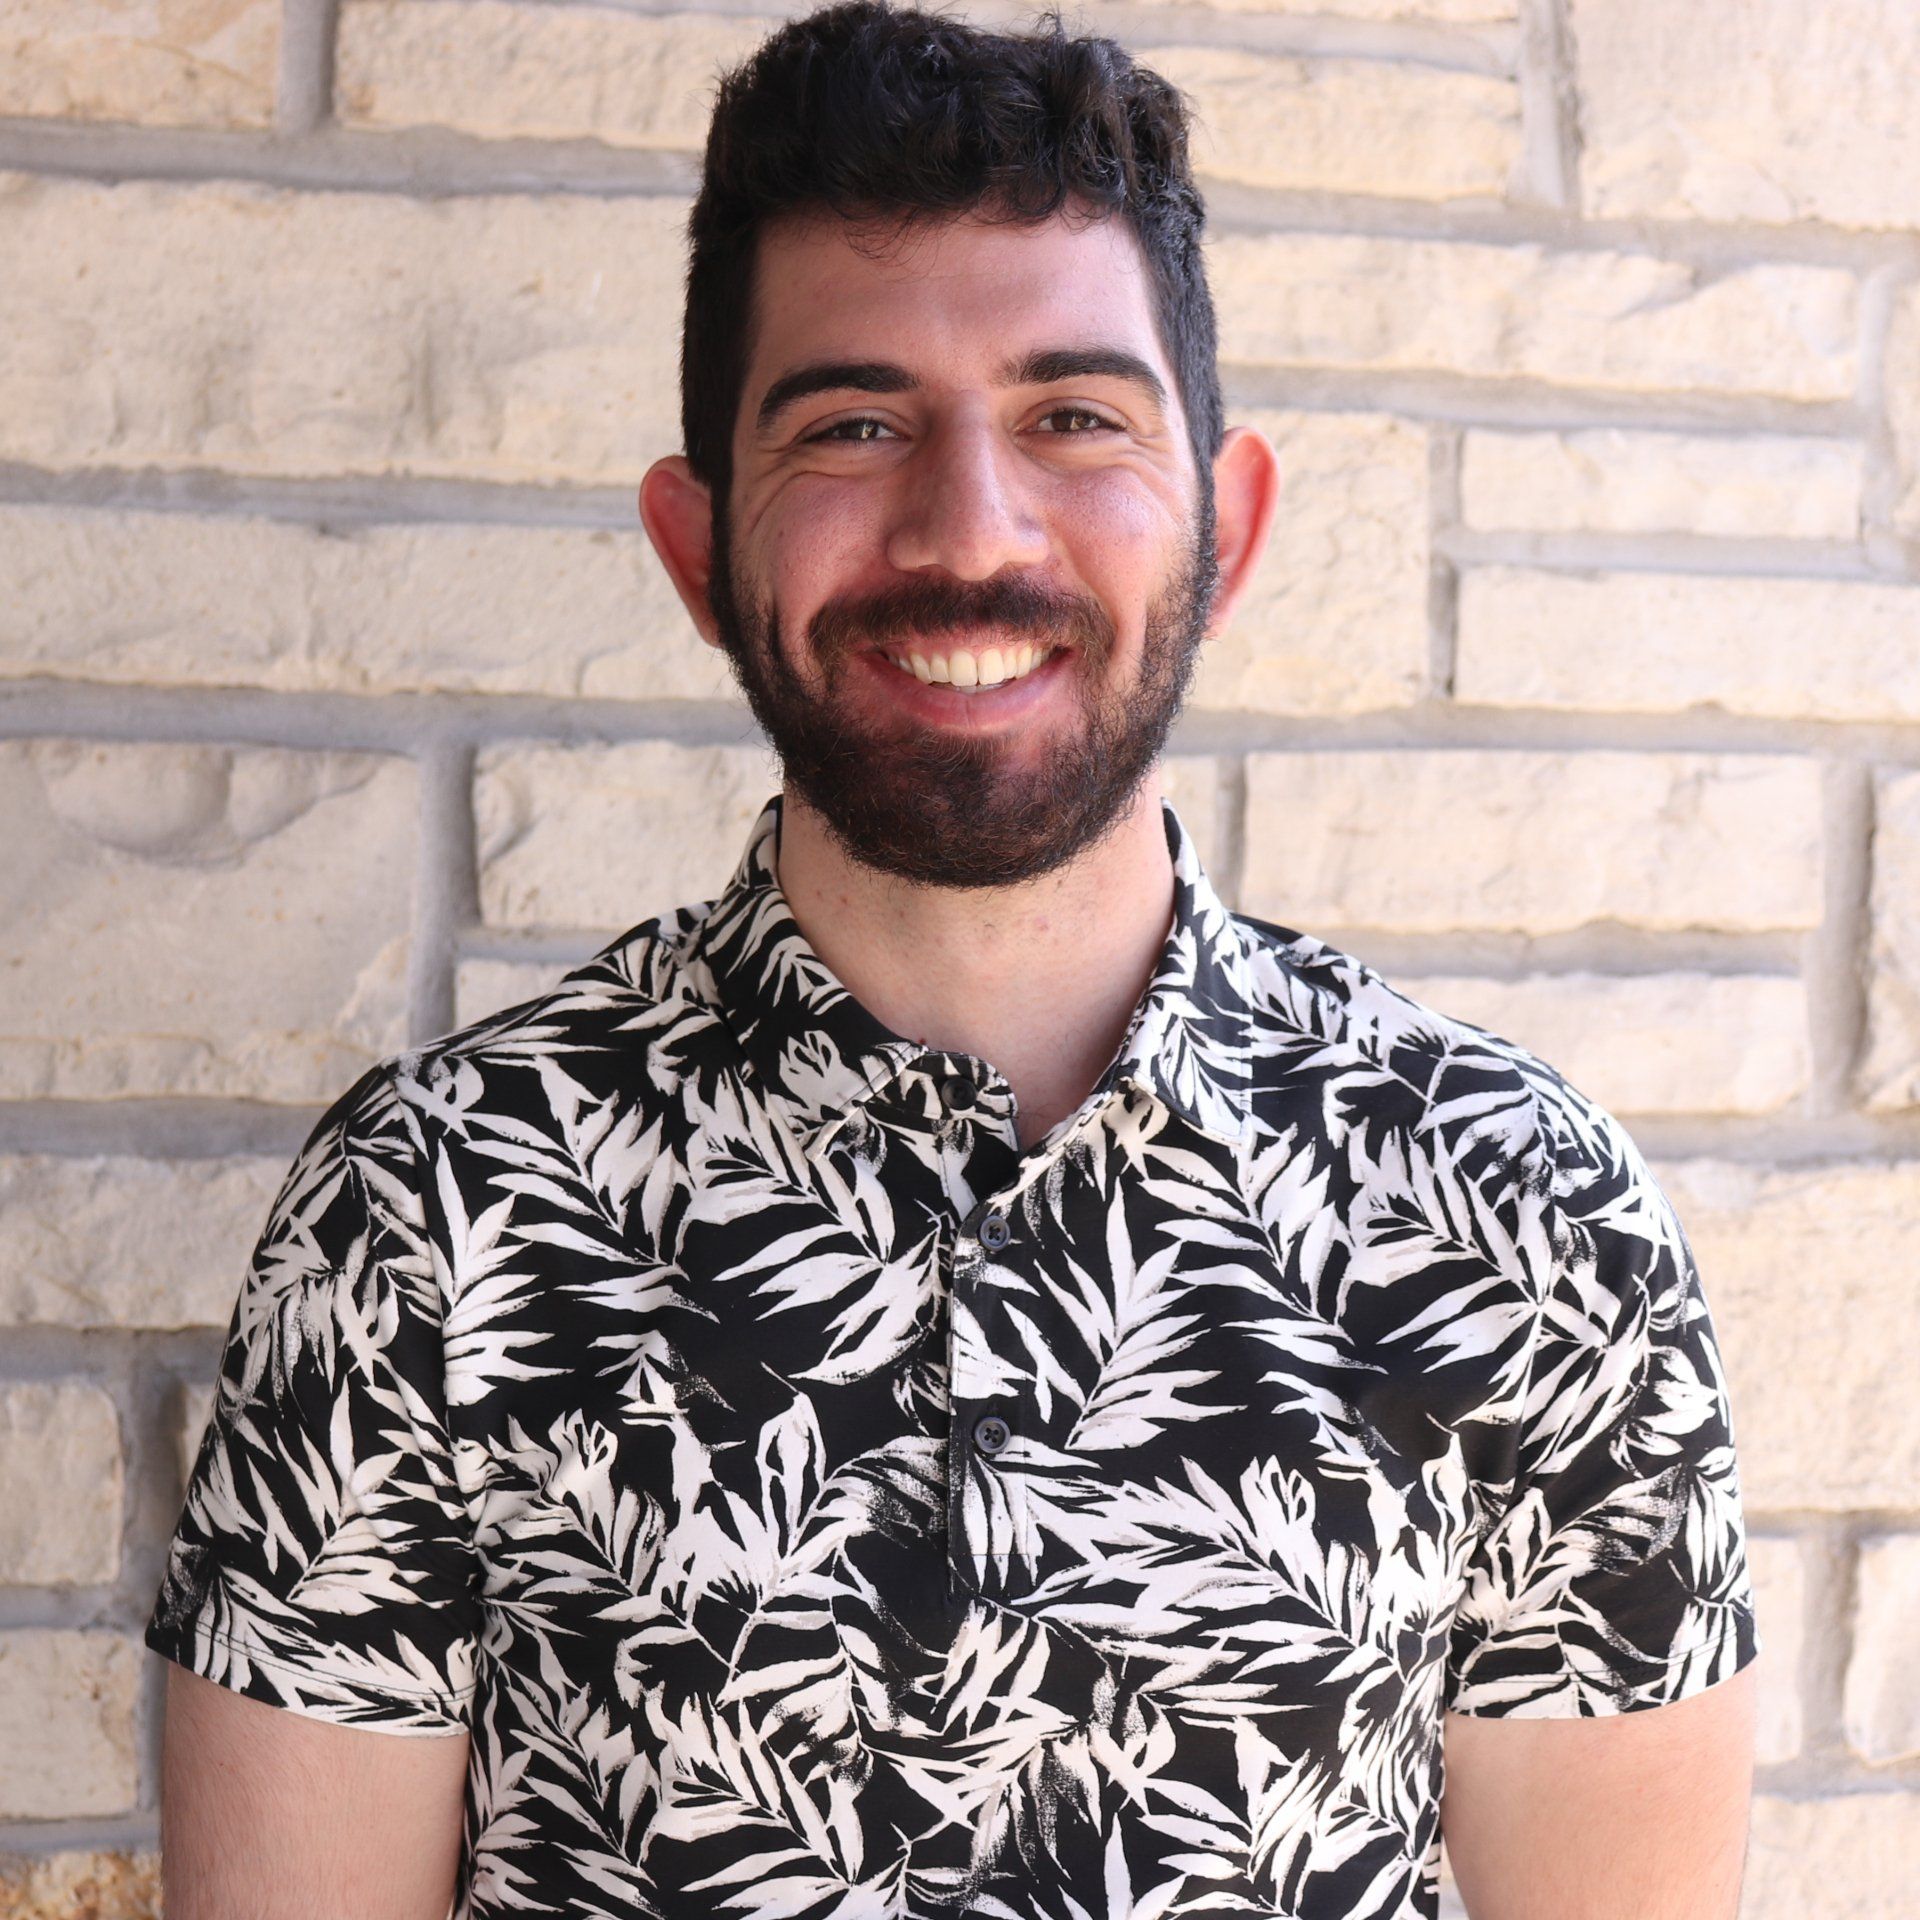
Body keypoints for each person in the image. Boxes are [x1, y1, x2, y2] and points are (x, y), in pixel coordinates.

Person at [146, 4, 1761, 1915]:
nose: (967, 528)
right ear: (697, 547)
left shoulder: (1524, 1217)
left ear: (1225, 532)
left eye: (1074, 416)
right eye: (851, 423)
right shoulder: (427, 1222)